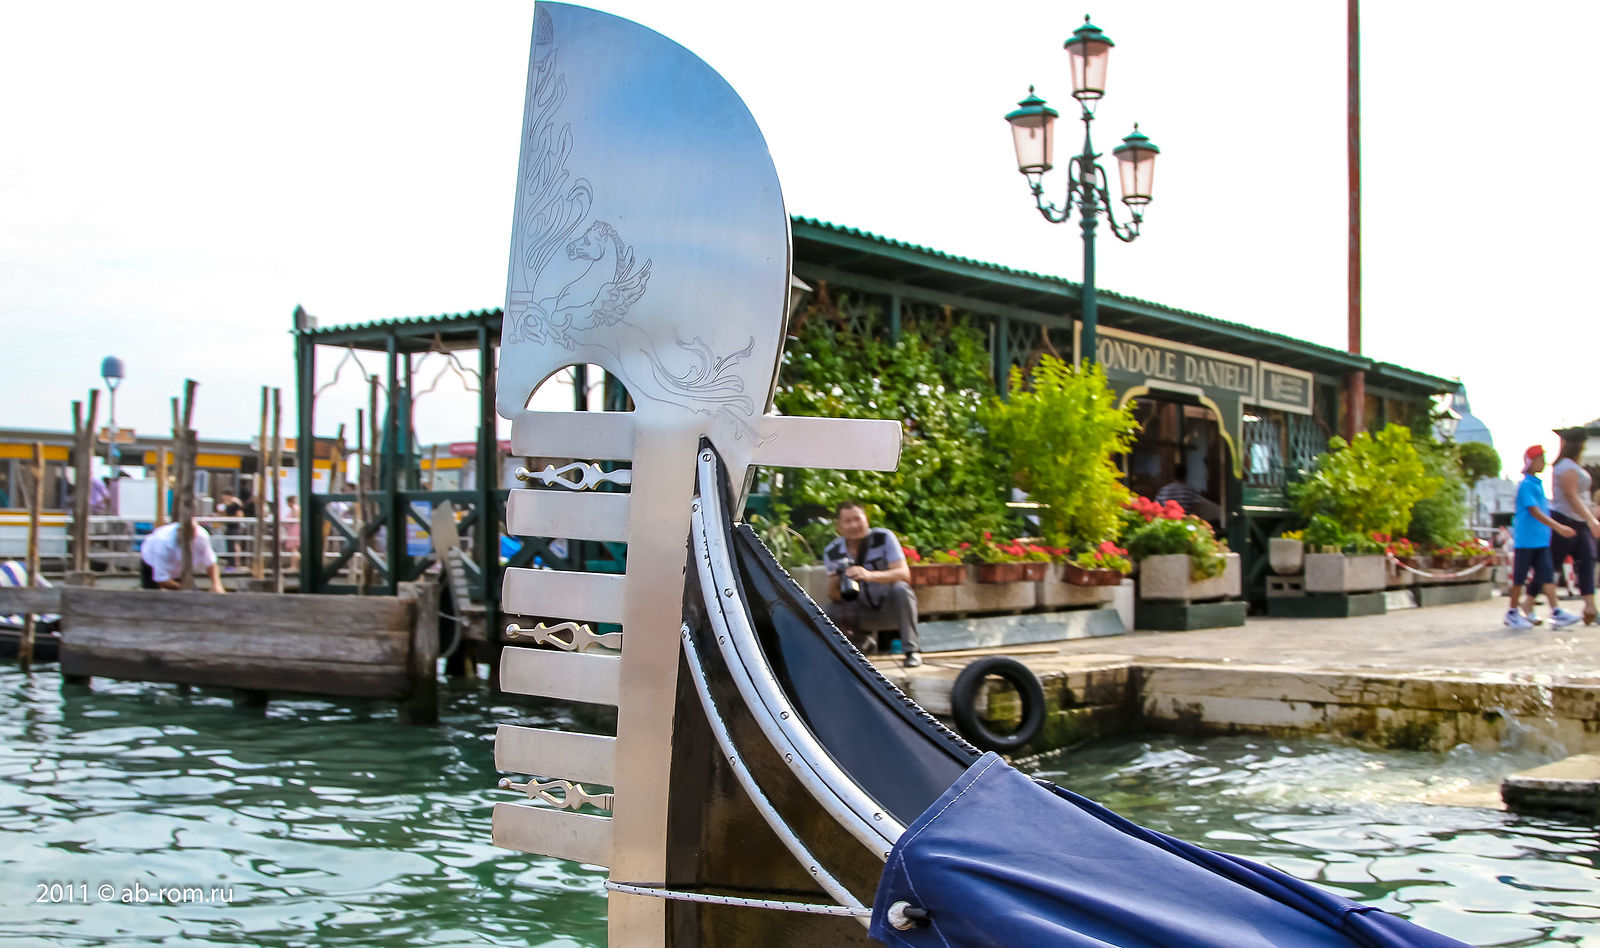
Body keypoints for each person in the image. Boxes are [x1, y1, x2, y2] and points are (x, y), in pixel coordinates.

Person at [821, 501, 921, 668]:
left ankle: (912, 651)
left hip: (889, 608)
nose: (854, 525)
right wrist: (840, 577)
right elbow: (833, 595)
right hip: (859, 610)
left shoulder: (883, 538)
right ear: (839, 526)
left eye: (857, 519)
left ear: (866, 519)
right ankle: (857, 647)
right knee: (829, 610)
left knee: (901, 589)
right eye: (848, 521)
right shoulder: (833, 551)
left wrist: (869, 575)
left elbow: (904, 574)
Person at [1506, 445, 1578, 629]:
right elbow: (1535, 511)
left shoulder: (1537, 484)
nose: (1543, 463)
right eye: (1540, 459)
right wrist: (1558, 527)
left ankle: (1556, 611)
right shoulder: (1526, 485)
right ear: (1530, 462)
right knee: (1519, 578)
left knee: (1547, 576)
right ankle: (1512, 612)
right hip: (1526, 541)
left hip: (1541, 541)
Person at [1549, 426, 1600, 624]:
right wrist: (1591, 519)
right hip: (1565, 520)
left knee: (1587, 561)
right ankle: (1528, 603)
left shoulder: (1571, 465)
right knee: (1552, 564)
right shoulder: (1565, 467)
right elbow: (1571, 496)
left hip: (1578, 522)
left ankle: (1590, 607)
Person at [139, 519, 226, 593]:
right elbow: (161, 580)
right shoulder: (162, 543)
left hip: (181, 571)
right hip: (151, 565)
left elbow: (211, 562)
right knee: (151, 597)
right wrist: (185, 589)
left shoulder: (201, 537)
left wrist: (217, 585)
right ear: (179, 531)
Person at [1154, 463, 1221, 523]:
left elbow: (1156, 507)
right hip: (1186, 523)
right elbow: (1197, 509)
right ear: (1185, 475)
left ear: (1173, 474)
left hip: (1167, 523)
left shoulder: (1165, 489)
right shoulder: (1190, 490)